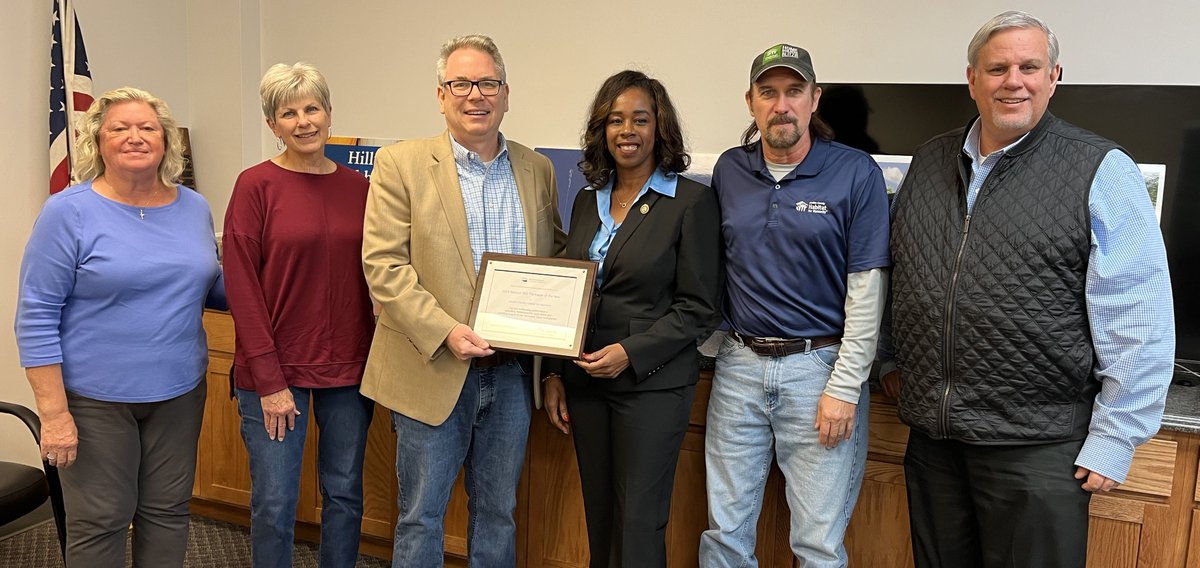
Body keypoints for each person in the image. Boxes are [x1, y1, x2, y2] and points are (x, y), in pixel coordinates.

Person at [886, 11, 1174, 568]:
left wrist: (1118, 434)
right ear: (972, 79)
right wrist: (889, 360)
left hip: (1038, 446)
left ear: (1054, 77)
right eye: (997, 68)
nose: (1012, 80)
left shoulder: (1101, 168)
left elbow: (1139, 312)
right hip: (936, 440)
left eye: (1029, 66)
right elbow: (900, 274)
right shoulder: (928, 161)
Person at [360, 34, 566, 567]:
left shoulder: (536, 168)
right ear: (441, 94)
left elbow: (554, 263)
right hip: (432, 366)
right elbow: (384, 266)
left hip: (512, 374)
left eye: (487, 83)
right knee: (420, 516)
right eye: (461, 84)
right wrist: (448, 331)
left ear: (505, 92)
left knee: (498, 513)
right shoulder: (400, 163)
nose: (475, 95)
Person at [699, 44, 891, 568]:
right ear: (751, 102)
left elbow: (867, 291)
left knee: (818, 544)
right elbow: (718, 267)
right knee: (724, 533)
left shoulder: (855, 174)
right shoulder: (730, 171)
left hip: (820, 372)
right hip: (738, 368)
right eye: (768, 92)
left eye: (793, 91)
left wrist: (845, 387)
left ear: (814, 99)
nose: (781, 105)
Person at [15, 87, 224, 567]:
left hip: (179, 393)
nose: (135, 137)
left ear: (167, 140)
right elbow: (36, 315)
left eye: (147, 127)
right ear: (98, 142)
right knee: (100, 520)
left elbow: (205, 287)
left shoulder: (194, 207)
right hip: (94, 400)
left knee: (168, 512)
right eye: (120, 128)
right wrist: (54, 414)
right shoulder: (68, 212)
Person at [540, 70, 722, 567]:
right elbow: (565, 292)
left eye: (640, 119)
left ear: (660, 128)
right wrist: (554, 372)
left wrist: (630, 353)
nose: (628, 130)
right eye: (616, 120)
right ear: (601, 129)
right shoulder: (585, 201)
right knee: (600, 517)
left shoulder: (691, 202)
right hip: (585, 382)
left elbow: (700, 308)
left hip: (651, 387)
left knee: (639, 522)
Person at [223, 62, 375, 568]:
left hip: (349, 369)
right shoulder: (255, 186)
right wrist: (268, 381)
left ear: (330, 115)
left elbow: (379, 275)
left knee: (346, 494)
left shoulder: (361, 188)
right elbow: (241, 287)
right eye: (289, 113)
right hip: (275, 372)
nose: (303, 121)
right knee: (274, 502)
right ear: (273, 125)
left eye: (312, 108)